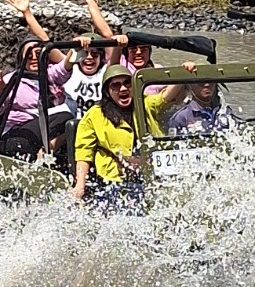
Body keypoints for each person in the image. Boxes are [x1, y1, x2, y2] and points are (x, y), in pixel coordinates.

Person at [71, 61, 196, 206]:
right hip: (114, 182)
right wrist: (80, 186)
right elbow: (83, 152)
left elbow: (165, 97)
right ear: (107, 91)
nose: (123, 89)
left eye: (127, 83)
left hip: (151, 176)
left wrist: (182, 72)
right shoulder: (94, 115)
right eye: (115, 86)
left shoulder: (145, 103)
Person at [6, 0, 128, 119]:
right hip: (71, 125)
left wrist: (91, 3)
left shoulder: (106, 72)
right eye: (85, 54)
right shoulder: (69, 67)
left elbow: (108, 36)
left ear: (101, 57)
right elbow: (46, 42)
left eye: (94, 54)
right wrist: (27, 13)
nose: (89, 58)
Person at [0, 34, 91, 159]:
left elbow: (65, 66)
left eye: (38, 54)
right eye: (29, 56)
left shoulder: (49, 75)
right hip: (15, 135)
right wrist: (0, 91)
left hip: (41, 132)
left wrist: (76, 47)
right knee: (66, 117)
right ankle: (43, 156)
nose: (34, 58)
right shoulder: (11, 79)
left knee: (73, 123)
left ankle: (49, 156)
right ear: (22, 59)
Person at [168, 80, 234, 132]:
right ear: (190, 85)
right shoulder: (181, 117)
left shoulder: (225, 111)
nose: (207, 85)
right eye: (201, 82)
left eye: (211, 81)